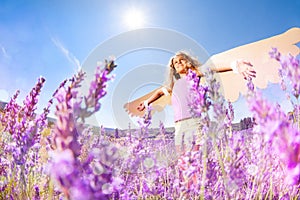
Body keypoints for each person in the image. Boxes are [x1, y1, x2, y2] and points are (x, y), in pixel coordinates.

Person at [136, 51, 256, 155]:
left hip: (194, 122)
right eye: (175, 63)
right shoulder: (174, 84)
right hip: (178, 125)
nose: (178, 63)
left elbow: (213, 68)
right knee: (183, 161)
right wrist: (146, 102)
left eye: (181, 60)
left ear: (188, 62)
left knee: (195, 158)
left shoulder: (194, 73)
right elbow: (159, 92)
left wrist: (234, 65)